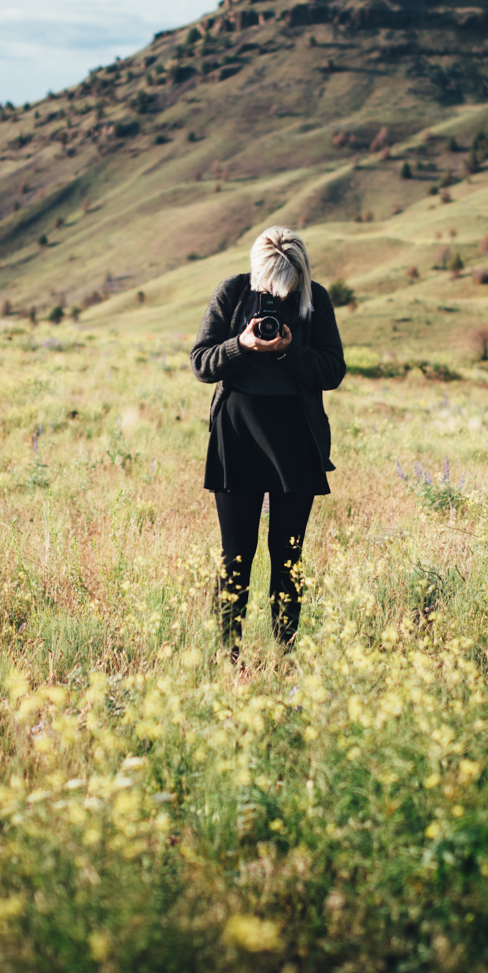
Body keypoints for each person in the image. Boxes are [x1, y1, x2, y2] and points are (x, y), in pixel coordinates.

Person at [190, 226, 346, 656]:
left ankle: (285, 656)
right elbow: (201, 363)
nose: (277, 295)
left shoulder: (316, 299)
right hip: (236, 439)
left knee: (288, 555)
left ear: (299, 272)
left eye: (287, 284)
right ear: (258, 270)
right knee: (236, 555)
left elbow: (333, 371)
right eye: (270, 284)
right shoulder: (234, 292)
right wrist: (240, 345)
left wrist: (290, 350)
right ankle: (228, 658)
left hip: (296, 441)